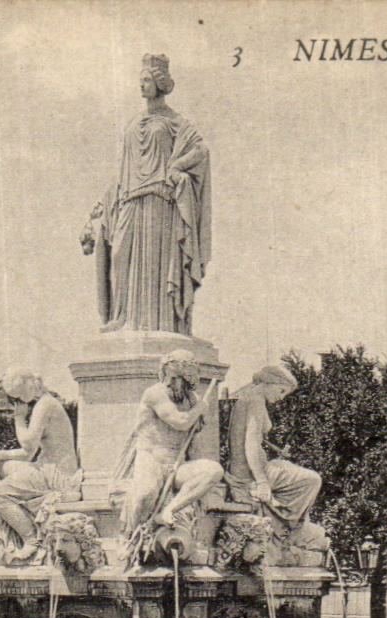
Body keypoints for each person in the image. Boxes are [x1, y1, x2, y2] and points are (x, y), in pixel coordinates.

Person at [80, 54, 210, 335]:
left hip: (159, 202)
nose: (142, 85)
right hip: (128, 200)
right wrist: (100, 207)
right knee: (119, 257)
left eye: (147, 80)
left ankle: (159, 323)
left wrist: (176, 166)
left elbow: (200, 151)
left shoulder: (175, 122)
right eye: (140, 80)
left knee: (154, 267)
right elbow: (124, 168)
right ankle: (122, 317)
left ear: (161, 83)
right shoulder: (133, 122)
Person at [0, 369, 81, 560]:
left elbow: (28, 447)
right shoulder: (45, 403)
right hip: (47, 468)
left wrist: (18, 419)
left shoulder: (45, 406)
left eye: (17, 399)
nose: (19, 404)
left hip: (56, 474)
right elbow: (27, 454)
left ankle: (31, 540)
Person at [117, 349, 223, 534]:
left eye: (176, 378)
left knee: (213, 470)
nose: (170, 382)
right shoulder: (155, 394)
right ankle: (129, 534)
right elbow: (180, 422)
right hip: (151, 460)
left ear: (188, 379)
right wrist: (201, 409)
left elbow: (193, 442)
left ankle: (170, 509)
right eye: (168, 376)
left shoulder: (192, 400)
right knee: (145, 493)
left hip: (176, 464)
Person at [224, 365, 323, 537]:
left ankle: (287, 526)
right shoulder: (255, 400)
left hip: (248, 468)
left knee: (287, 467)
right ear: (269, 382)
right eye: (281, 390)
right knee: (312, 480)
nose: (281, 397)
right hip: (249, 474)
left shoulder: (247, 398)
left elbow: (249, 438)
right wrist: (262, 482)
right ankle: (290, 529)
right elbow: (251, 444)